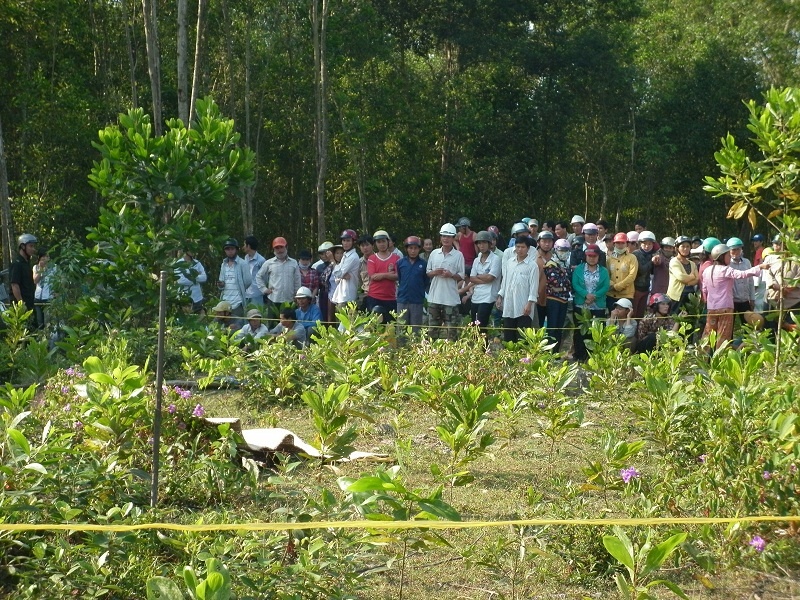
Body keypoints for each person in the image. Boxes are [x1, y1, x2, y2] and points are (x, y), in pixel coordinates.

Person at [701, 243, 764, 349]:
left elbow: (704, 289)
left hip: (711, 308)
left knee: (709, 334)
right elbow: (742, 274)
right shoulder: (725, 270)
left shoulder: (707, 270)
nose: (730, 259)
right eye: (728, 256)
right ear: (721, 257)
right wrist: (759, 267)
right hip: (725, 308)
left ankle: (704, 359)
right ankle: (721, 360)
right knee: (723, 336)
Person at [496, 236, 539, 343]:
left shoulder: (533, 266)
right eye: (518, 247)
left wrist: (529, 304)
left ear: (528, 248)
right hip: (509, 304)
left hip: (524, 307)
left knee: (522, 338)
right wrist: (500, 296)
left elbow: (534, 287)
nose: (520, 249)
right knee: (508, 337)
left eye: (523, 247)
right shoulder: (510, 262)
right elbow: (505, 280)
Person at [427, 223, 465, 340]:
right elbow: (428, 273)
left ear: (453, 238)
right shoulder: (434, 253)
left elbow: (461, 276)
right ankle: (431, 355)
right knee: (432, 330)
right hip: (434, 297)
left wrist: (451, 275)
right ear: (440, 237)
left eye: (449, 236)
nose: (446, 239)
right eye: (443, 236)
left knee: (451, 332)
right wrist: (435, 272)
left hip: (450, 299)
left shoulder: (458, 255)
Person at [571, 244, 610, 361]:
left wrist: (594, 296)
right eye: (589, 256)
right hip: (581, 305)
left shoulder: (604, 271)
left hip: (598, 306)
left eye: (594, 256)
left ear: (598, 257)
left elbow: (606, 286)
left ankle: (594, 357)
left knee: (596, 331)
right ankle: (579, 355)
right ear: (585, 256)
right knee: (580, 331)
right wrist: (585, 295)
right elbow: (575, 284)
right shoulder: (578, 269)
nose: (592, 258)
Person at [465, 230, 501, 335]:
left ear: (490, 244)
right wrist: (483, 277)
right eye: (479, 243)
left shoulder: (496, 259)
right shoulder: (476, 260)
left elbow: (491, 278)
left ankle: (483, 350)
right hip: (476, 295)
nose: (482, 245)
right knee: (474, 325)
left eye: (484, 242)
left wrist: (478, 276)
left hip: (489, 296)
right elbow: (471, 278)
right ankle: (477, 349)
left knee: (481, 324)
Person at [256, 237, 301, 315]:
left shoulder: (293, 263)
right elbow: (258, 276)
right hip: (273, 299)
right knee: (272, 325)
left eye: (281, 247)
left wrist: (297, 295)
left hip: (289, 300)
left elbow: (297, 280)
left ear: (286, 247)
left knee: (289, 325)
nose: (279, 250)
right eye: (277, 248)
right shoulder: (268, 263)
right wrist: (264, 289)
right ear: (274, 249)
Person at [543, 238, 573, 348]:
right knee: (552, 327)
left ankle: (556, 352)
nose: (564, 253)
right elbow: (555, 283)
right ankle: (548, 352)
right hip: (553, 300)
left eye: (566, 251)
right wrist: (565, 286)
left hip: (564, 300)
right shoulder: (551, 264)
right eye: (561, 251)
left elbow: (568, 285)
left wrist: (564, 286)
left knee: (559, 328)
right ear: (555, 250)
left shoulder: (566, 265)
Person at [366, 229, 399, 322]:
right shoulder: (372, 258)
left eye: (383, 241)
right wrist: (388, 274)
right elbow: (373, 276)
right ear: (375, 244)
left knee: (390, 327)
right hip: (374, 297)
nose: (381, 244)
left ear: (388, 242)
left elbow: (397, 276)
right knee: (374, 327)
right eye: (379, 242)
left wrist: (381, 275)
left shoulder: (396, 258)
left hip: (390, 298)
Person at [396, 236, 428, 332]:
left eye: (415, 248)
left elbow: (425, 281)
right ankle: (401, 347)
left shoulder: (424, 264)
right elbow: (400, 278)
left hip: (417, 300)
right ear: (406, 249)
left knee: (416, 329)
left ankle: (415, 347)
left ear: (419, 249)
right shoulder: (400, 263)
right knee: (401, 328)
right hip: (402, 299)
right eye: (410, 248)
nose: (413, 251)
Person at [217, 237, 251, 321]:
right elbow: (221, 281)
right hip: (225, 300)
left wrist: (240, 288)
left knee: (237, 327)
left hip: (237, 301)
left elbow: (248, 281)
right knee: (222, 327)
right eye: (227, 249)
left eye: (232, 249)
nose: (230, 251)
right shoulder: (223, 264)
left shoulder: (243, 263)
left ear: (236, 250)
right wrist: (221, 285)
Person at [666, 236, 698, 313]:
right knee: (674, 319)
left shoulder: (692, 264)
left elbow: (697, 279)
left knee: (689, 319)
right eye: (682, 246)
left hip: (690, 295)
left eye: (687, 246)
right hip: (676, 296)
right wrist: (692, 276)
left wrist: (687, 281)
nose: (685, 249)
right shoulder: (674, 261)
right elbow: (681, 277)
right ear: (677, 248)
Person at [606, 232, 638, 307]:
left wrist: (618, 286)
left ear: (627, 244)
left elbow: (632, 276)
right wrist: (612, 284)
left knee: (624, 318)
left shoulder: (632, 258)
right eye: (618, 243)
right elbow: (606, 274)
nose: (620, 245)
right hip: (611, 294)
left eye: (622, 243)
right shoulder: (609, 259)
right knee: (612, 317)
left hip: (626, 295)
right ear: (614, 244)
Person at [331, 230, 360, 310]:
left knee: (346, 322)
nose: (345, 243)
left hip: (348, 296)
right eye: (344, 240)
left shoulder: (353, 257)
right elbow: (337, 277)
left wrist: (332, 261)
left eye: (348, 240)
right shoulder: (345, 255)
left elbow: (338, 273)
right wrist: (341, 275)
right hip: (341, 296)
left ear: (353, 242)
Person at [727, 237, 755, 319]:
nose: (736, 252)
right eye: (733, 250)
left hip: (745, 300)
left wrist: (752, 298)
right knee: (730, 327)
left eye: (738, 249)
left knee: (748, 324)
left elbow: (751, 281)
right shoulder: (727, 264)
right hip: (732, 301)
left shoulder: (747, 262)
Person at [631, 231, 657, 319]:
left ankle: (639, 331)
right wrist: (652, 262)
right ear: (639, 244)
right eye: (644, 244)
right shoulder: (635, 254)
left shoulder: (653, 254)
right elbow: (641, 270)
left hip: (646, 288)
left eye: (650, 244)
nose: (647, 246)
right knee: (633, 312)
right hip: (636, 288)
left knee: (641, 314)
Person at [10, 233, 37, 314]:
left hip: (30, 303)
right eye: (31, 246)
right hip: (21, 307)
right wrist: (21, 304)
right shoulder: (17, 264)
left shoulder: (26, 264)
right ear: (23, 246)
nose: (33, 249)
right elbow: (14, 285)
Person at [175, 249, 207, 314]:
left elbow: (204, 277)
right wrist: (196, 276)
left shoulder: (197, 263)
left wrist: (189, 277)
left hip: (197, 297)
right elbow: (181, 280)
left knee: (198, 318)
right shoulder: (178, 263)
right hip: (184, 297)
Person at [32, 247, 55, 328]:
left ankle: (48, 339)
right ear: (39, 257)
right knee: (40, 323)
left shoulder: (54, 267)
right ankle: (40, 339)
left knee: (48, 323)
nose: (45, 258)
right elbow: (35, 281)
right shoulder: (36, 267)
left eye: (47, 256)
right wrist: (41, 269)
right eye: (43, 256)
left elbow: (58, 282)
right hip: (38, 298)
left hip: (48, 298)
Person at [243, 236, 266, 307]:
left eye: (244, 245)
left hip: (257, 294)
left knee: (257, 314)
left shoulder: (261, 260)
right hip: (246, 293)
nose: (243, 247)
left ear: (248, 246)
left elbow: (265, 278)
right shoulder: (245, 258)